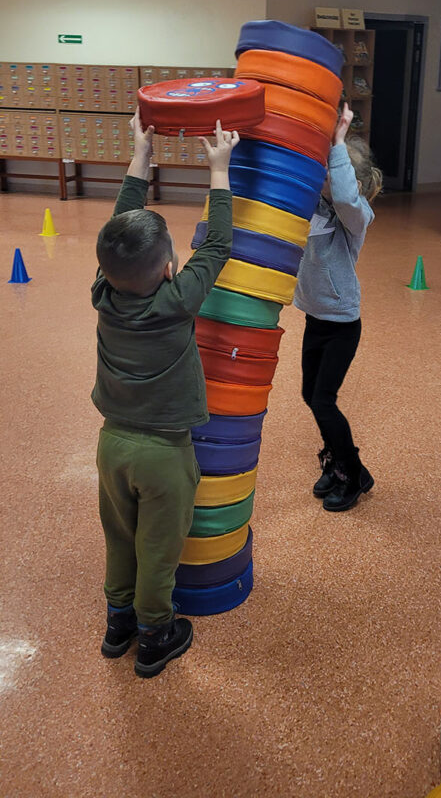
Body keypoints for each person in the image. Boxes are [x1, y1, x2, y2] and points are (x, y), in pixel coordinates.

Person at [92, 110, 238, 678]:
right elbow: (220, 244)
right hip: (163, 453)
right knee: (158, 545)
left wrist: (140, 157)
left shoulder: (103, 293)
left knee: (119, 533)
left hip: (111, 447)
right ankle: (155, 633)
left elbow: (118, 228)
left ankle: (117, 622)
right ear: (172, 267)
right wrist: (219, 169)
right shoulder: (177, 300)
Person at [293, 102, 382, 512]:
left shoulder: (356, 215)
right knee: (311, 395)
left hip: (343, 323)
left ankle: (355, 472)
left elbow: (344, 194)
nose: (322, 176)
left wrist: (338, 143)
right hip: (316, 316)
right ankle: (336, 461)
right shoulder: (314, 205)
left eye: (329, 169)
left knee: (324, 400)